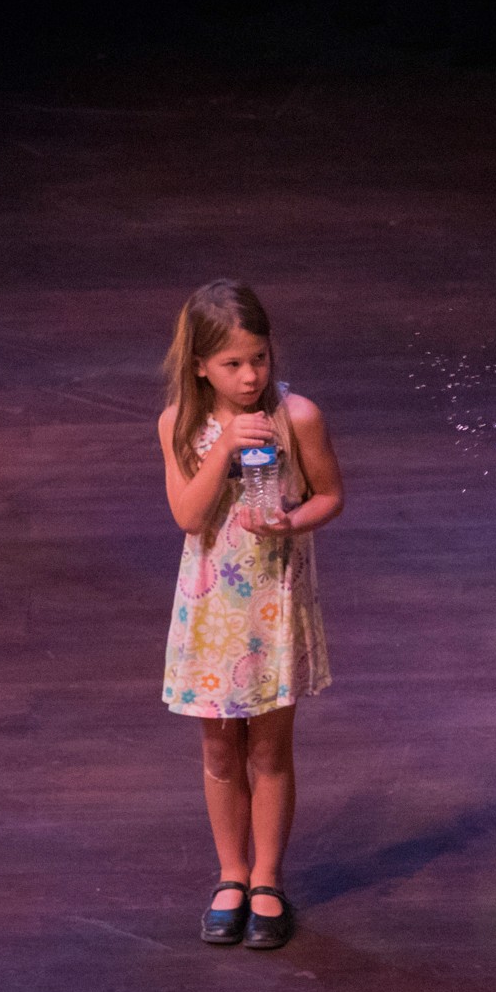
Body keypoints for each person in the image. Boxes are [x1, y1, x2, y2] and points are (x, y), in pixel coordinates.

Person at [158, 280, 343, 950]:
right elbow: (188, 515)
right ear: (200, 365)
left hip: (272, 604)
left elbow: (330, 495)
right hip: (213, 612)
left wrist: (291, 520)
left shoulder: (298, 416)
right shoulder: (179, 424)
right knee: (218, 747)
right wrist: (224, 448)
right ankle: (231, 872)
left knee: (268, 747)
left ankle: (267, 876)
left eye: (258, 358)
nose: (249, 376)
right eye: (232, 363)